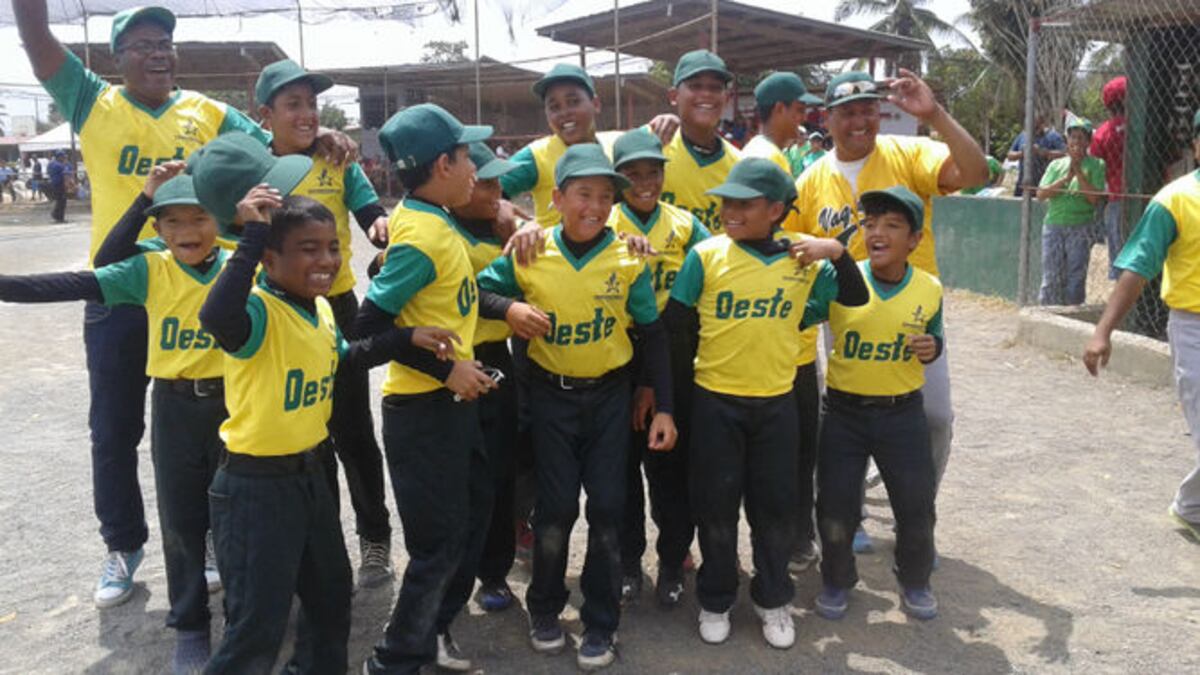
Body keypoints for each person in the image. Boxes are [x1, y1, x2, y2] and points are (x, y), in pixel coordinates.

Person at [13, 0, 352, 604]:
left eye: (166, 44)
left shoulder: (208, 111)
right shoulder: (92, 99)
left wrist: (316, 132)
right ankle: (123, 544)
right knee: (113, 428)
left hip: (200, 286)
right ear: (118, 57)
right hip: (126, 285)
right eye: (144, 45)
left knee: (217, 417)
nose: (159, 54)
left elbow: (271, 143)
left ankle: (218, 534)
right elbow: (38, 41)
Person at [0, 166, 228, 671]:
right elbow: (74, 279)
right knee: (179, 521)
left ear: (220, 220)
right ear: (156, 229)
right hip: (175, 406)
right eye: (172, 221)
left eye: (199, 217)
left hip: (235, 405)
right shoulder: (149, 269)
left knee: (237, 511)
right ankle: (190, 625)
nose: (187, 230)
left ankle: (243, 618)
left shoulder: (240, 264)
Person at [478, 143, 677, 670]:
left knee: (609, 508)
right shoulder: (530, 250)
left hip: (610, 396)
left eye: (606, 197)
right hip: (550, 397)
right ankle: (545, 608)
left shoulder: (627, 257)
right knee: (556, 509)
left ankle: (601, 621)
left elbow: (652, 332)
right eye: (583, 194)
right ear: (558, 198)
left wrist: (664, 406)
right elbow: (475, 293)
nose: (595, 206)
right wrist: (510, 307)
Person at [666, 157, 866, 649]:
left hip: (777, 405)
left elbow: (855, 297)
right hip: (716, 403)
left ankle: (773, 597)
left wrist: (837, 251)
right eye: (726, 203)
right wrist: (679, 402)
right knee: (715, 509)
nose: (730, 212)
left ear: (776, 210)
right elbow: (676, 328)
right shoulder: (705, 256)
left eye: (745, 204)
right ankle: (716, 598)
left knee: (774, 511)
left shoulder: (802, 257)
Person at [786, 71, 988, 555]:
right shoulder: (810, 182)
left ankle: (916, 514)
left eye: (868, 109)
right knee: (845, 420)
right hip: (848, 317)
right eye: (848, 112)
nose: (860, 120)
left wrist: (934, 114)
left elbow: (976, 174)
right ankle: (847, 513)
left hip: (913, 313)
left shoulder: (908, 153)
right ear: (828, 119)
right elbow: (787, 246)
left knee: (934, 417)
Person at [358, 103, 500, 675]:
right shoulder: (420, 236)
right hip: (422, 413)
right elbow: (364, 332)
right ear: (443, 164)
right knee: (437, 544)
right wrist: (445, 370)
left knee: (471, 518)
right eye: (467, 157)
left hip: (452, 406)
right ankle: (393, 659)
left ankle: (434, 630)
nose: (475, 169)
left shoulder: (431, 219)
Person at [254, 58, 396, 588]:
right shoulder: (252, 162)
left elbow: (370, 214)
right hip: (273, 313)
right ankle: (318, 542)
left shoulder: (337, 160)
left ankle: (375, 538)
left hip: (336, 309)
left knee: (353, 430)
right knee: (299, 433)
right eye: (293, 105)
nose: (307, 114)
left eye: (312, 105)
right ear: (266, 115)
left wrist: (382, 227)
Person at [807, 185, 945, 623]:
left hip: (902, 413)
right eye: (869, 224)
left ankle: (915, 578)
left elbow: (935, 336)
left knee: (915, 503)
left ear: (915, 240)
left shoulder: (929, 288)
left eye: (892, 225)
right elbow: (803, 316)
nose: (877, 233)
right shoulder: (842, 278)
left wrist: (933, 347)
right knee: (835, 505)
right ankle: (837, 578)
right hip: (843, 412)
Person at [1083, 110, 1200, 544]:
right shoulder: (1175, 200)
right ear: (1196, 146)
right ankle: (1190, 507)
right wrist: (1102, 331)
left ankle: (1190, 507)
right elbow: (1136, 269)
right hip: (1193, 328)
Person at [608, 128, 711, 606]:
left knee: (670, 466)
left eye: (654, 172)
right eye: (633, 174)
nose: (646, 182)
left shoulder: (686, 225)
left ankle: (672, 560)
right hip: (618, 352)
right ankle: (628, 561)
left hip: (673, 349)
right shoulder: (604, 223)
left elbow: (718, 265)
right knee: (622, 470)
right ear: (617, 179)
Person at [742, 71, 827, 572]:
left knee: (795, 447)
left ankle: (792, 537)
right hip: (782, 332)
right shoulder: (765, 158)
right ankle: (791, 540)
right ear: (778, 109)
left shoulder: (773, 154)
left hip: (784, 328)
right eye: (798, 109)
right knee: (793, 449)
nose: (804, 117)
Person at [447, 142, 524, 613]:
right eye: (487, 183)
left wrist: (519, 228)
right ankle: (451, 569)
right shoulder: (439, 228)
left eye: (501, 183)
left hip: (496, 357)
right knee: (455, 474)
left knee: (499, 471)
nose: (498, 192)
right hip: (446, 364)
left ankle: (494, 572)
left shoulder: (509, 230)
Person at [500, 64, 620, 228]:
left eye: (573, 102)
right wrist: (522, 225)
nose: (565, 113)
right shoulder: (537, 156)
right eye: (554, 107)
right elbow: (487, 192)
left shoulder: (617, 145)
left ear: (596, 104)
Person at [660, 50, 742, 234]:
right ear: (673, 96)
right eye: (695, 86)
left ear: (727, 98)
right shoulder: (653, 146)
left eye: (715, 88)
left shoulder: (739, 167)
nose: (706, 94)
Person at [1037, 117, 1105, 306]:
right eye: (1073, 137)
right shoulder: (1056, 165)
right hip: (1054, 224)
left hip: (1080, 226)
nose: (1076, 142)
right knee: (1051, 274)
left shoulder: (1096, 165)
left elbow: (1094, 199)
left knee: (1075, 274)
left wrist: (1079, 172)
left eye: (1081, 138)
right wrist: (1065, 179)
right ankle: (1048, 310)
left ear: (1088, 142)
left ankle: (1072, 311)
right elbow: (1041, 194)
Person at [742, 72, 822, 176]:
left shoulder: (759, 150)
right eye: (800, 110)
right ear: (780, 109)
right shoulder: (768, 159)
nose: (804, 118)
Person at [1091, 76, 1128, 279]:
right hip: (1149, 196)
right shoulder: (1145, 126)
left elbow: (1096, 165)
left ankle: (1121, 287)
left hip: (1116, 197)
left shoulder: (1103, 132)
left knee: (1119, 253)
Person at [1007, 114, 1066, 197]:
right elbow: (1010, 156)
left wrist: (1043, 152)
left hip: (1045, 184)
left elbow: (1064, 154)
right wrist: (1022, 153)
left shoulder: (1053, 136)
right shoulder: (1022, 136)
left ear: (1043, 124)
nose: (1033, 131)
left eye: (1036, 128)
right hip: (1023, 184)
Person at [47, 149, 70, 222]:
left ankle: (56, 215)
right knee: (62, 202)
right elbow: (66, 175)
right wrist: (67, 186)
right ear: (59, 157)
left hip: (53, 184)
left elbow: (48, 172)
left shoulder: (51, 164)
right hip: (60, 185)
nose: (64, 158)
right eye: (63, 157)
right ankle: (59, 217)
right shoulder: (60, 165)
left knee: (58, 200)